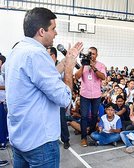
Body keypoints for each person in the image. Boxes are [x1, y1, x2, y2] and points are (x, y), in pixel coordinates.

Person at [5, 7, 83, 167]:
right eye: (53, 28)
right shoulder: (37, 54)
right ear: (42, 31)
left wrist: (64, 62)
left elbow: (40, 78)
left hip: (20, 138)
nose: (56, 33)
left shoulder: (16, 51)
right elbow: (64, 98)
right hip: (40, 143)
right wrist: (69, 69)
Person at [75, 46, 106, 147]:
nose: (91, 55)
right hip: (85, 94)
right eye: (89, 53)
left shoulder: (101, 65)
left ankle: (91, 134)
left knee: (94, 116)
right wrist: (83, 65)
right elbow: (77, 76)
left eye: (93, 53)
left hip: (96, 95)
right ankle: (84, 138)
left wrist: (93, 67)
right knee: (84, 116)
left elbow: (103, 77)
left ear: (96, 55)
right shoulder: (83, 65)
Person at [47, 47, 70, 149]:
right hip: (47, 99)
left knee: (62, 119)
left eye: (47, 54)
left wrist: (66, 101)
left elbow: (66, 82)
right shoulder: (44, 67)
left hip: (59, 98)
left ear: (53, 56)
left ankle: (66, 140)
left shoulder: (61, 67)